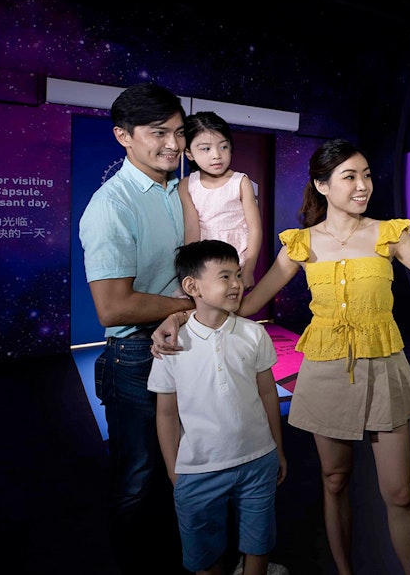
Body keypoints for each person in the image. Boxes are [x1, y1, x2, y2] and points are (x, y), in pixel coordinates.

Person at [153, 138, 410, 575]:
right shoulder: (300, 244)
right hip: (324, 369)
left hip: (383, 366)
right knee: (334, 481)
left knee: (400, 494)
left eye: (367, 175)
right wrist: (180, 318)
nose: (363, 186)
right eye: (350, 177)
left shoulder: (388, 233)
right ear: (322, 185)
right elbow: (241, 304)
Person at [79, 82, 197, 575]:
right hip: (134, 361)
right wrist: (190, 304)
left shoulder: (180, 188)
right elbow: (112, 307)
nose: (173, 144)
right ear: (123, 136)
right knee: (138, 478)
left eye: (178, 132)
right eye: (158, 133)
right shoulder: (113, 205)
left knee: (189, 466)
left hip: (188, 347)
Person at [148, 240, 288, 575]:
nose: (237, 284)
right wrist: (173, 469)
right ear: (192, 286)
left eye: (238, 275)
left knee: (258, 544)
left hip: (258, 460)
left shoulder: (254, 334)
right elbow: (166, 412)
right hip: (198, 470)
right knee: (204, 555)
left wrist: (277, 450)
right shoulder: (172, 344)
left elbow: (268, 394)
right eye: (225, 276)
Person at [179, 111, 263, 290]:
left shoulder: (240, 181)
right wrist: (192, 269)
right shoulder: (187, 185)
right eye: (206, 149)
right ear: (189, 153)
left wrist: (249, 268)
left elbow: (254, 228)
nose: (217, 155)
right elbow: (192, 229)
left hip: (236, 258)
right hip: (205, 259)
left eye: (223, 147)